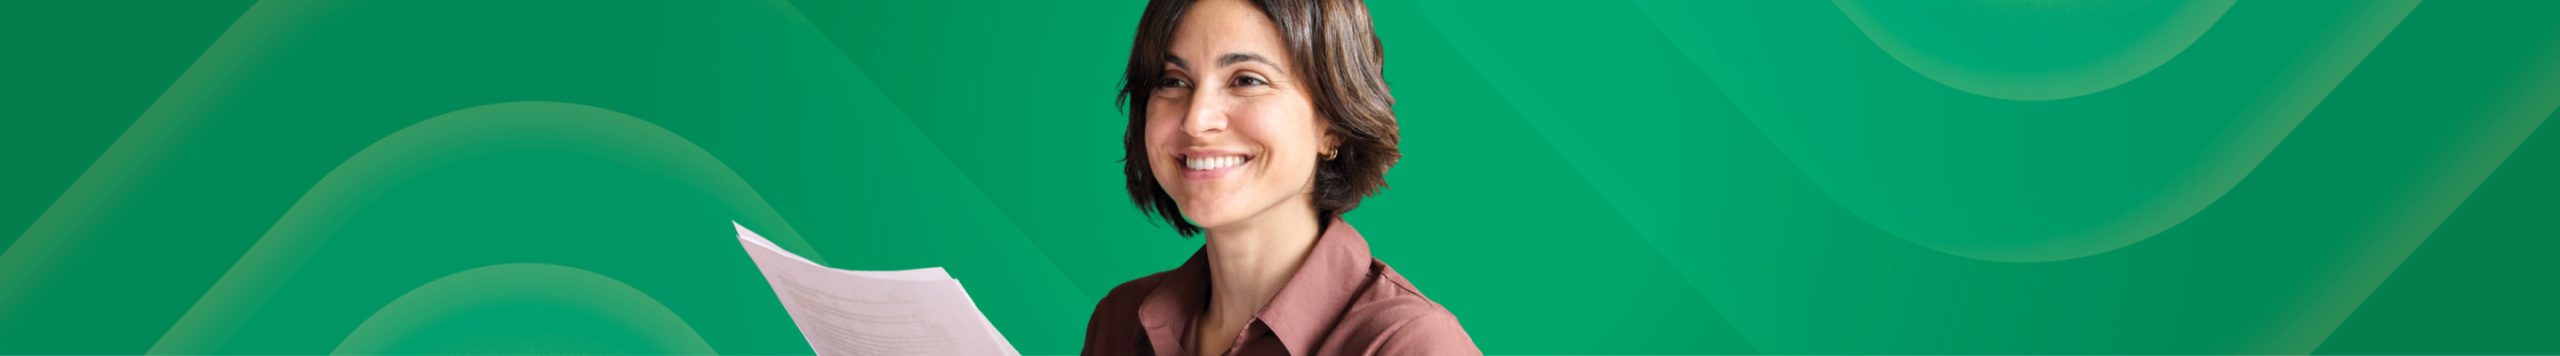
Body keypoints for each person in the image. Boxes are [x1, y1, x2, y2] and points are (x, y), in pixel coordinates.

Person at [1081, 0, 1478, 355]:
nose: (1196, 120)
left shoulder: (1412, 344)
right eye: (1173, 81)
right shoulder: (1119, 321)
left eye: (1246, 80)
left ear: (1332, 125)